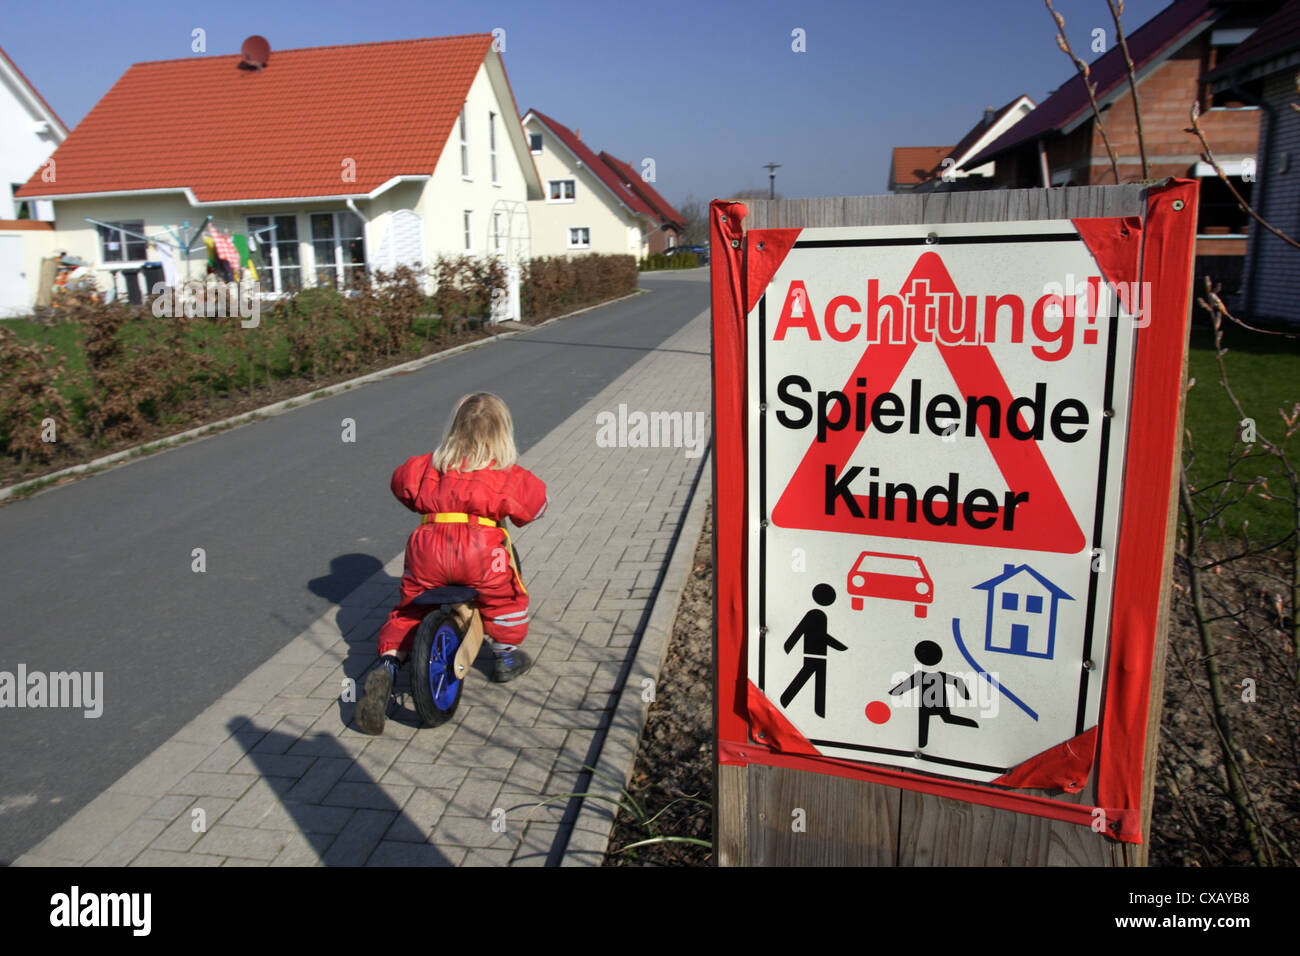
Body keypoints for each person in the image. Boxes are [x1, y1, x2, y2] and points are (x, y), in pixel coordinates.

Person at [355, 392, 548, 735]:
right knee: (505, 595)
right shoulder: (505, 474)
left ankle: (387, 663)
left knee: (410, 609)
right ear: (502, 435)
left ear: (454, 430)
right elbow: (535, 504)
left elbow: (399, 483)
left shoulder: (427, 466)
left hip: (428, 549)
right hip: (481, 552)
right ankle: (505, 653)